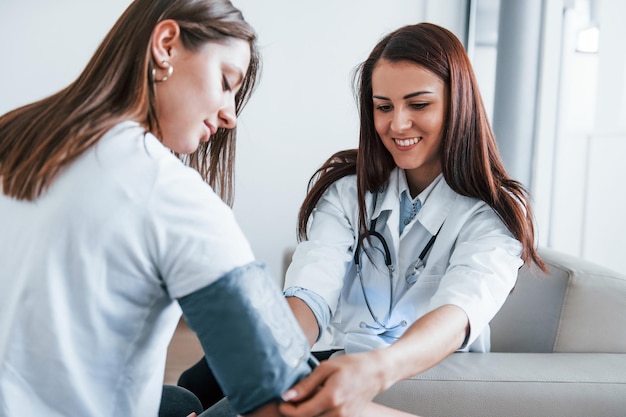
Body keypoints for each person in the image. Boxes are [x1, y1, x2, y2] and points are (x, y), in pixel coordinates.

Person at [177, 21, 547, 417]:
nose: (397, 124)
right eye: (383, 106)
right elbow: (311, 293)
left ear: (458, 104)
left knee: (237, 406)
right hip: (340, 352)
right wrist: (270, 355)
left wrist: (374, 369)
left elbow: (459, 313)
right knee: (197, 383)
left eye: (418, 105)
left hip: (416, 366)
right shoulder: (347, 188)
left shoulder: (495, 210)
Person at [0, 1, 316, 416]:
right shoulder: (170, 192)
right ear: (166, 45)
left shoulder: (14, 135)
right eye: (226, 81)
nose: (229, 115)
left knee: (180, 400)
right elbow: (284, 399)